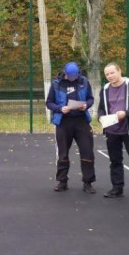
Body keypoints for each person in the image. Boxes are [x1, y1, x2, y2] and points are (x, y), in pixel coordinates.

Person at [97, 63, 129, 202]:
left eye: (112, 73)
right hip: (111, 130)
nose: (110, 76)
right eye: (107, 74)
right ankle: (117, 188)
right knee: (115, 161)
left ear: (119, 71)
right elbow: (101, 108)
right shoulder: (104, 89)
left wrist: (126, 113)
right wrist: (100, 116)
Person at [45, 62, 96, 193]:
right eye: (70, 76)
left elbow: (90, 98)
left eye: (75, 76)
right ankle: (62, 181)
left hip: (81, 121)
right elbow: (49, 102)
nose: (73, 78)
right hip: (63, 122)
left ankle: (88, 182)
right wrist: (60, 108)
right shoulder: (56, 83)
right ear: (65, 73)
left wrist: (86, 105)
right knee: (62, 153)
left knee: (87, 151)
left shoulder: (84, 81)